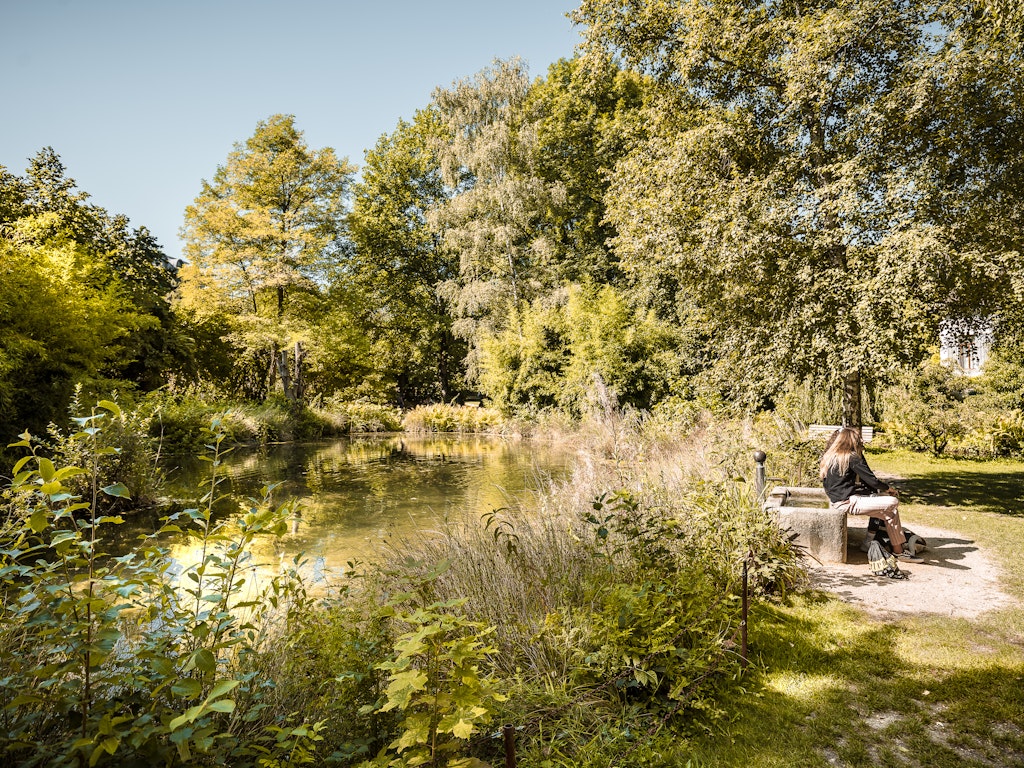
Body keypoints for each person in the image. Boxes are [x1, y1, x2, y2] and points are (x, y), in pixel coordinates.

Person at [819, 427, 923, 564]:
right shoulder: (851, 458)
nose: (861, 441)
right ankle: (877, 543)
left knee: (891, 513)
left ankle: (899, 552)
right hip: (848, 503)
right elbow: (872, 480)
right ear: (851, 440)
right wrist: (888, 489)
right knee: (893, 502)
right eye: (858, 439)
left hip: (839, 501)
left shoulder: (830, 457)